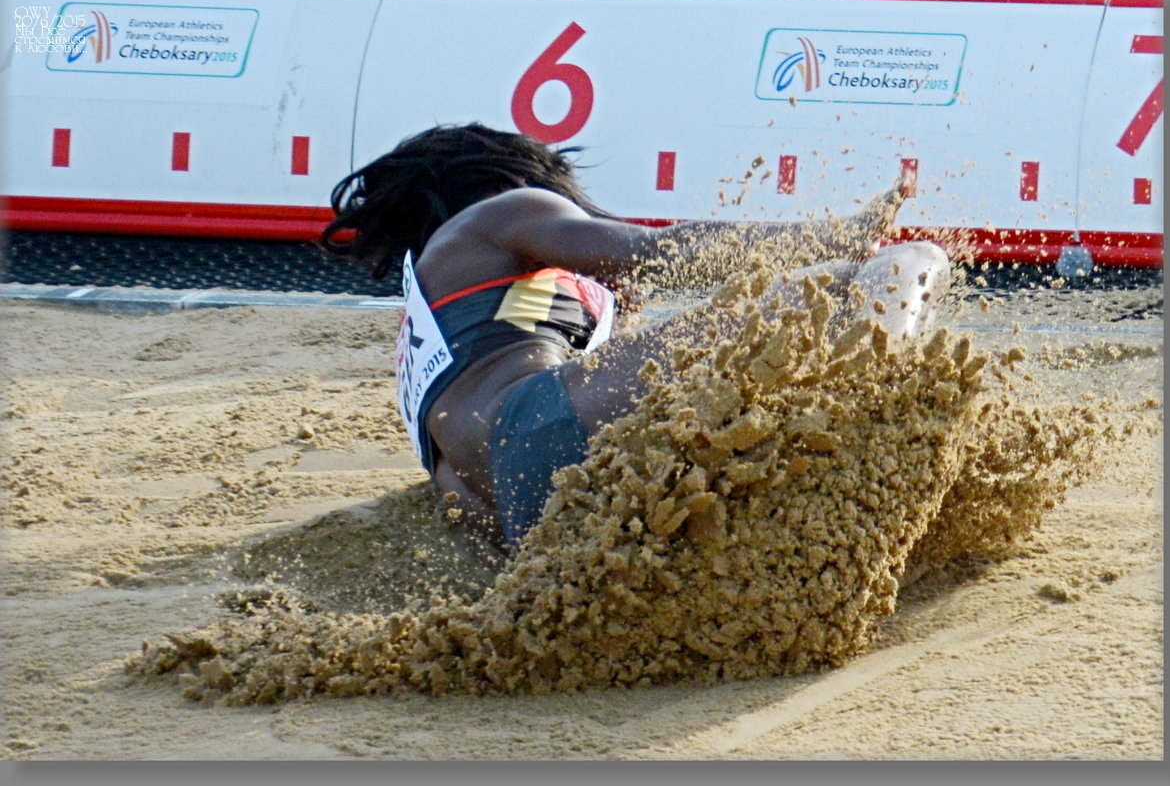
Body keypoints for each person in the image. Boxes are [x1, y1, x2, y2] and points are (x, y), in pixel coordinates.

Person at [320, 123, 950, 552]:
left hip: (524, 500)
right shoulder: (499, 214)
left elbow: (456, 493)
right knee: (885, 268)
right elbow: (656, 251)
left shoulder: (429, 335)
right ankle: (885, 402)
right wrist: (834, 236)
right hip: (544, 417)